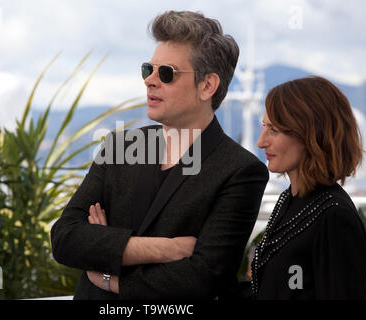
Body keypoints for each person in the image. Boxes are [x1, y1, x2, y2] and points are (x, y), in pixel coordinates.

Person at [51, 10, 269, 300]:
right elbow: (65, 238)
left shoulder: (240, 171)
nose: (150, 81)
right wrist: (165, 249)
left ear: (207, 86)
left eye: (166, 73)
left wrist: (107, 272)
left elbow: (201, 279)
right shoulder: (121, 147)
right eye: (147, 70)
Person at [252, 76, 366, 299]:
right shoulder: (289, 199)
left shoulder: (334, 216)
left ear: (311, 135)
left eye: (274, 130)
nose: (261, 141)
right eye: (263, 127)